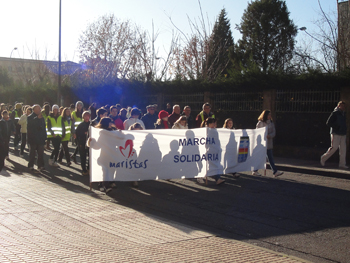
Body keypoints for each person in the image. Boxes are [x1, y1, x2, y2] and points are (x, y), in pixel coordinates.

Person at [253, 110, 283, 177]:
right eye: (268, 114)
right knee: (260, 157)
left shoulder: (271, 123)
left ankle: (275, 171)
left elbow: (274, 132)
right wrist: (263, 135)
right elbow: (257, 132)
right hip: (261, 143)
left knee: (270, 158)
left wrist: (270, 136)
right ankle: (255, 170)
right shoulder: (260, 123)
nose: (270, 116)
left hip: (269, 143)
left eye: (270, 114)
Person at [321, 101, 348, 168]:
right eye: (342, 106)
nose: (344, 107)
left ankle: (342, 164)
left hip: (343, 133)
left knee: (343, 149)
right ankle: (323, 158)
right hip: (335, 133)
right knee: (334, 147)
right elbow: (328, 123)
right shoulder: (335, 113)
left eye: (344, 106)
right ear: (339, 106)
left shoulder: (343, 114)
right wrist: (337, 127)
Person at [201, 117, 225, 185]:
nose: (214, 124)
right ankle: (217, 178)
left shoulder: (215, 131)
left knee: (215, 164)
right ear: (208, 124)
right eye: (213, 123)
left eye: (215, 123)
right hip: (208, 151)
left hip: (215, 150)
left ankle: (217, 178)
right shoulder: (205, 131)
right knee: (212, 164)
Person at [27, 105, 46, 171]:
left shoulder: (42, 118)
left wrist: (45, 137)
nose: (39, 110)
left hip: (40, 138)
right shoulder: (30, 117)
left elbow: (43, 127)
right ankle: (31, 165)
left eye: (40, 109)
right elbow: (30, 126)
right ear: (34, 109)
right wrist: (37, 118)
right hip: (33, 138)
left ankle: (40, 166)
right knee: (32, 153)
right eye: (38, 109)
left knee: (40, 153)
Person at [75, 111, 91, 176]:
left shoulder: (91, 124)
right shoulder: (81, 125)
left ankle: (88, 168)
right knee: (83, 157)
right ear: (83, 117)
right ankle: (84, 170)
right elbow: (77, 134)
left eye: (88, 116)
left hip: (90, 144)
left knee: (90, 157)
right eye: (85, 116)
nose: (87, 117)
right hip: (82, 143)